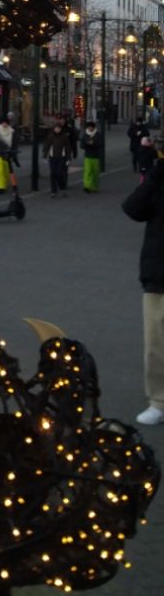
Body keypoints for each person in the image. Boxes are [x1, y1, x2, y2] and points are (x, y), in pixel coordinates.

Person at [126, 160, 164, 426]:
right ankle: (159, 401)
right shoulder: (160, 178)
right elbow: (133, 208)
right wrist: (157, 173)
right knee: (155, 346)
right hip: (157, 275)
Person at [0, 115, 18, 194]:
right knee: (0, 170)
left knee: (6, 171)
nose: (4, 124)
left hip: (7, 153)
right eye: (3, 122)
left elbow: (14, 143)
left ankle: (4, 184)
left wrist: (13, 152)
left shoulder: (11, 131)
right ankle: (0, 187)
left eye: (6, 122)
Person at [43, 118, 69, 197]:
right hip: (52, 157)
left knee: (59, 173)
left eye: (59, 128)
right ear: (54, 128)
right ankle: (53, 191)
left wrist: (68, 158)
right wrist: (44, 156)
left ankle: (62, 187)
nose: (57, 130)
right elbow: (46, 146)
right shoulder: (50, 136)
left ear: (61, 129)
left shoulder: (64, 137)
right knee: (53, 174)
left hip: (61, 157)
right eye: (56, 128)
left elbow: (68, 148)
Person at [80, 120, 102, 192]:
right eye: (89, 127)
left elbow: (100, 144)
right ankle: (87, 186)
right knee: (88, 171)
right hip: (88, 156)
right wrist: (87, 144)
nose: (90, 128)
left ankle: (94, 186)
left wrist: (93, 143)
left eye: (91, 127)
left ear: (94, 127)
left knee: (95, 172)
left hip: (96, 156)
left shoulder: (98, 135)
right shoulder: (85, 135)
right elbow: (82, 145)